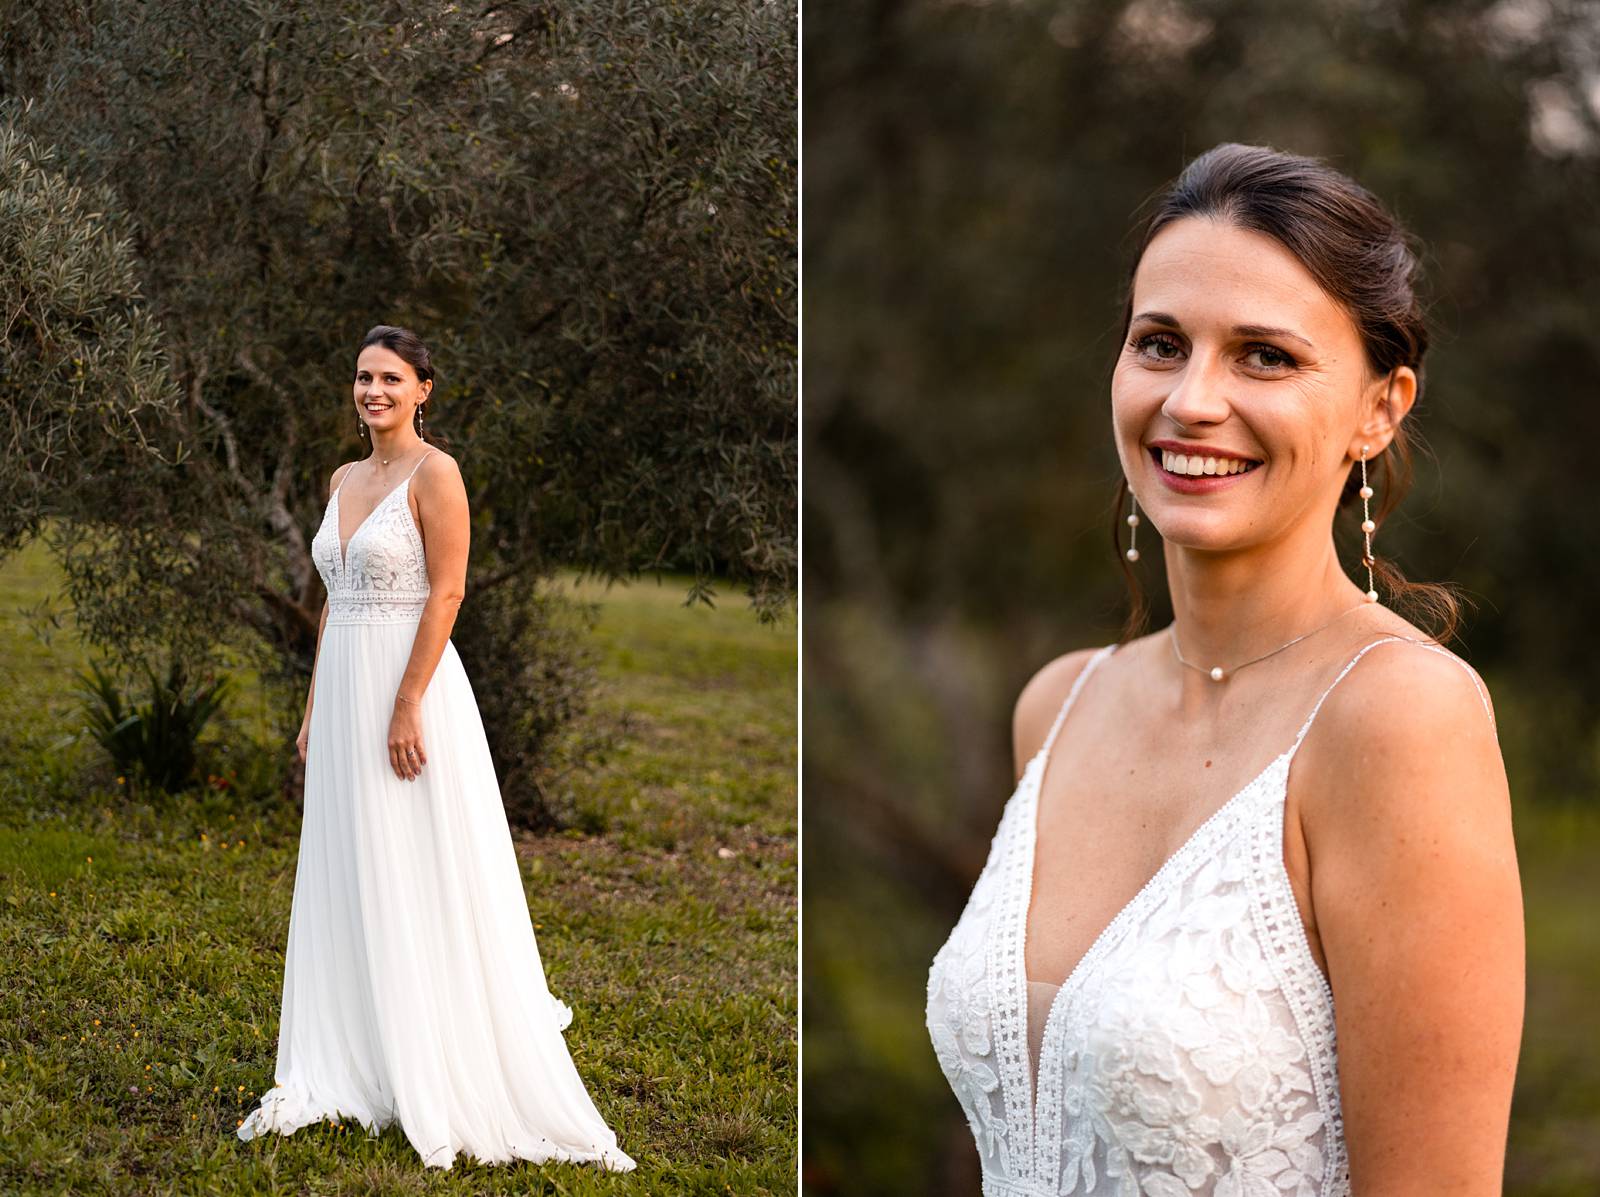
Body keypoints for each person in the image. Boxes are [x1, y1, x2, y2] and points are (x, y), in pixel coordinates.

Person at [925, 145, 1523, 1195]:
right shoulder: (1056, 705)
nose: (1193, 401)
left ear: (1379, 408)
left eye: (1264, 357)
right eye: (1160, 344)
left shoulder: (1398, 720)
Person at [237, 324, 636, 1173]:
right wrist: (314, 709)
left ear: (423, 388)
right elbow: (334, 604)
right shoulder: (344, 477)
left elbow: (447, 589)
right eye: (361, 377)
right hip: (345, 689)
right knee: (351, 865)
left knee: (414, 861)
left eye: (390, 378)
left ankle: (436, 1052)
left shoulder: (436, 472)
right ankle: (359, 1052)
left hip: (408, 688)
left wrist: (408, 700)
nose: (372, 391)